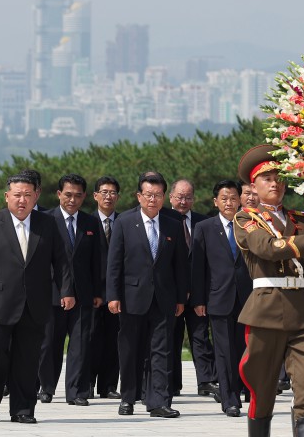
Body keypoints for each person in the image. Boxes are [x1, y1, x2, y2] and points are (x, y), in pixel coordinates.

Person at [233, 145, 304, 437]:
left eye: (278, 178)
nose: (274, 183)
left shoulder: (301, 220)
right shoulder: (245, 219)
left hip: (303, 311)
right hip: (267, 310)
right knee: (263, 391)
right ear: (254, 186)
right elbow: (266, 249)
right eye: (266, 179)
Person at [0, 174, 73, 423]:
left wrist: (66, 291)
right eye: (17, 195)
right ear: (7, 197)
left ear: (36, 196)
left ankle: (23, 409)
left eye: (27, 195)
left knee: (27, 358)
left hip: (34, 303)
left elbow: (62, 261)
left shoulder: (48, 224)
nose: (22, 200)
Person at [106, 171, 187, 419]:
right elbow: (114, 262)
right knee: (131, 350)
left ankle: (158, 401)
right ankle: (128, 398)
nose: (153, 199)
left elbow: (181, 264)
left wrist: (181, 297)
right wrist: (113, 295)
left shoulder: (174, 223)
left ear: (164, 197)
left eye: (158, 195)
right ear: (139, 196)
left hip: (164, 297)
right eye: (148, 194)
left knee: (161, 351)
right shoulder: (124, 222)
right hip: (132, 297)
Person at [36, 174, 102, 406]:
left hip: (84, 294)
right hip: (51, 294)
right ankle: (46, 387)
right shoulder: (45, 220)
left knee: (81, 344)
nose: (72, 200)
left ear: (84, 196)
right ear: (58, 194)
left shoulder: (91, 223)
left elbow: (98, 260)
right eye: (68, 195)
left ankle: (77, 392)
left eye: (77, 195)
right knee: (49, 344)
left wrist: (98, 292)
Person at [191, 179, 252, 417]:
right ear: (216, 201)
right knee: (224, 351)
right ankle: (230, 399)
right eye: (224, 199)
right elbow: (198, 267)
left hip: (248, 298)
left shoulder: (249, 225)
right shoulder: (205, 228)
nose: (229, 203)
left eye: (233, 198)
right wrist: (198, 300)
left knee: (244, 348)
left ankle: (245, 390)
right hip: (218, 298)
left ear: (241, 200)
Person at [167, 179, 216, 398]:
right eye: (179, 197)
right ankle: (171, 382)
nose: (183, 201)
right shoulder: (162, 220)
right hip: (171, 292)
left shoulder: (203, 223)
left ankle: (206, 380)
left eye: (188, 197)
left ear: (193, 199)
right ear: (170, 197)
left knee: (200, 337)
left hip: (197, 293)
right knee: (171, 338)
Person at [89, 176, 121, 399]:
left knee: (114, 340)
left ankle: (109, 386)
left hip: (118, 293)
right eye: (104, 192)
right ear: (95, 196)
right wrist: (95, 292)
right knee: (91, 340)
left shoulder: (127, 222)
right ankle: (88, 383)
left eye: (112, 193)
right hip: (92, 294)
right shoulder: (86, 222)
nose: (108, 196)